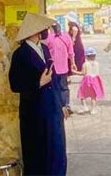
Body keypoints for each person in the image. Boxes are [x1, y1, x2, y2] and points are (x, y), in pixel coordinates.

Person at [8, 12, 67, 176]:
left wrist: (61, 104)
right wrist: (38, 83)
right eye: (43, 27)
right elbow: (15, 84)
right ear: (34, 30)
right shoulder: (20, 54)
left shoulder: (45, 48)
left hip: (52, 108)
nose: (46, 30)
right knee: (37, 154)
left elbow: (52, 77)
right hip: (34, 111)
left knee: (56, 149)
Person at [45, 22, 76, 112]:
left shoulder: (48, 38)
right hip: (62, 67)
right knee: (63, 87)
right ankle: (66, 105)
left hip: (53, 68)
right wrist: (73, 63)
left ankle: (58, 105)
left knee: (55, 87)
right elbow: (71, 53)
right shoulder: (66, 37)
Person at [74, 48, 104, 114]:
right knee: (93, 96)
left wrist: (75, 72)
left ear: (86, 56)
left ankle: (85, 106)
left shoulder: (85, 64)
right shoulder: (97, 63)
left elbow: (83, 73)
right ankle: (93, 110)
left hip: (87, 81)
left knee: (82, 94)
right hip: (95, 81)